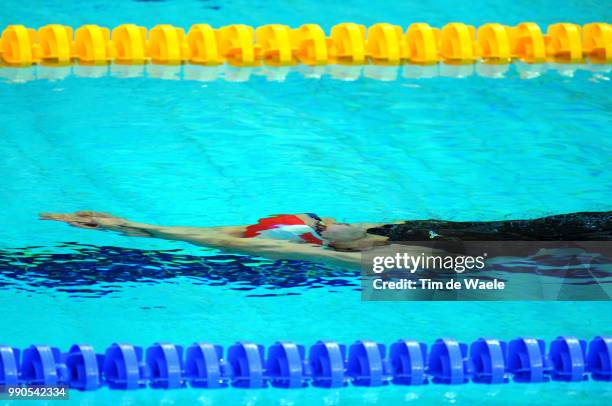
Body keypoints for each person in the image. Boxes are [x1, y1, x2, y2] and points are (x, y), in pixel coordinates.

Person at [40, 210, 611, 269]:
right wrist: (134, 227)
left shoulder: (398, 245)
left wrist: (133, 227)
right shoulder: (403, 248)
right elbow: (246, 241)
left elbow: (246, 243)